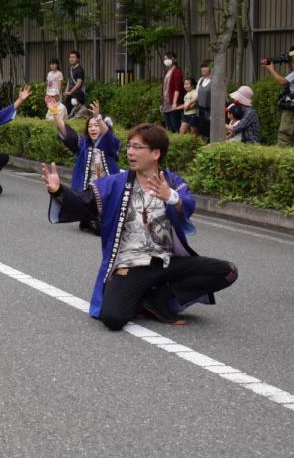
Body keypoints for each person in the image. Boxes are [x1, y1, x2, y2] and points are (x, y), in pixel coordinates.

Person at [41, 123, 238, 329]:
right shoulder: (115, 183)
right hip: (131, 266)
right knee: (113, 318)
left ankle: (157, 298)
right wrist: (58, 191)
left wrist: (170, 196)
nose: (130, 152)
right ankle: (140, 295)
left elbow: (187, 204)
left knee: (227, 271)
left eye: (137, 147)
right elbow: (85, 202)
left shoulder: (170, 181)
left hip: (166, 261)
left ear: (155, 153)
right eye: (129, 147)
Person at [47, 98, 120, 235]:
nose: (93, 128)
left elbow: (109, 136)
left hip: (107, 193)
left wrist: (98, 117)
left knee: (104, 229)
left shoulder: (111, 146)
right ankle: (89, 217)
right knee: (96, 225)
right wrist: (55, 111)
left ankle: (92, 218)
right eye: (90, 126)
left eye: (96, 125)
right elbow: (65, 132)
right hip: (87, 194)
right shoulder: (83, 144)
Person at [160, 52, 184, 133]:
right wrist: (162, 103)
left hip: (173, 102)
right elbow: (164, 89)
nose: (166, 60)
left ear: (174, 59)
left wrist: (174, 102)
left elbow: (178, 88)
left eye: (168, 58)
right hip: (166, 102)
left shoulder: (177, 71)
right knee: (168, 125)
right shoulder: (167, 72)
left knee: (175, 124)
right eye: (165, 59)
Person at [64, 50, 87, 117]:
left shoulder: (80, 70)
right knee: (67, 110)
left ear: (78, 59)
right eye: (70, 57)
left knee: (75, 111)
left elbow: (78, 84)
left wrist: (70, 92)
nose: (71, 59)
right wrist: (66, 91)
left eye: (73, 57)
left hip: (77, 95)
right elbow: (69, 81)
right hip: (70, 94)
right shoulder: (70, 69)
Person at [194, 61, 212, 139]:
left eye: (205, 67)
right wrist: (189, 102)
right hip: (200, 111)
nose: (203, 69)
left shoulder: (214, 80)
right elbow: (197, 95)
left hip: (210, 111)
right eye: (202, 67)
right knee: (201, 131)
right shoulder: (200, 80)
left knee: (208, 131)